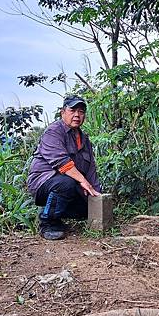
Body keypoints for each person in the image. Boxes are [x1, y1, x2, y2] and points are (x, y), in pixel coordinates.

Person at [27, 95, 101, 240]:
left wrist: (98, 197)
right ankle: (47, 223)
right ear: (63, 112)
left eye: (81, 112)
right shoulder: (53, 132)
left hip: (71, 184)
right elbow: (62, 163)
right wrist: (83, 181)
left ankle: (53, 211)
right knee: (66, 183)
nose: (77, 115)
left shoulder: (84, 139)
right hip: (43, 183)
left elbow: (91, 170)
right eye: (72, 110)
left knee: (87, 209)